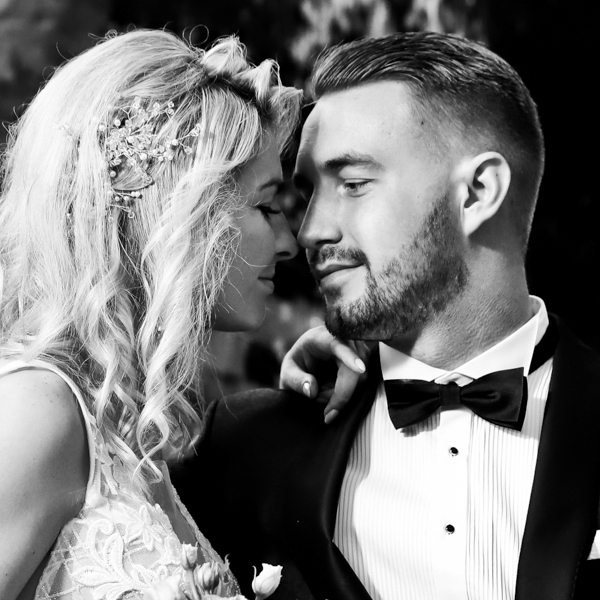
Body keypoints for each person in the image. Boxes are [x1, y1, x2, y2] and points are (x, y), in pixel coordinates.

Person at [175, 32, 600, 600]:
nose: (310, 231)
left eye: (353, 185)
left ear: (478, 192)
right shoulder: (246, 449)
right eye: (306, 194)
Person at [0, 29, 302, 599]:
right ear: (178, 215)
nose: (289, 242)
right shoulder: (38, 412)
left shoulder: (132, 433)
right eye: (265, 205)